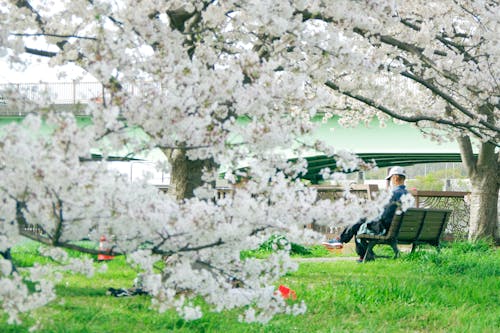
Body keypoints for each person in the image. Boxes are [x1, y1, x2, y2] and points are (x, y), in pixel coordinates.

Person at [323, 166, 409, 262]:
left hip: (385, 229)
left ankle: (349, 246)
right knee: (361, 221)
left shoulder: (393, 194)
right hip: (401, 230)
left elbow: (385, 216)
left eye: (390, 178)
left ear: (395, 177)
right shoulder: (408, 195)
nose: (391, 181)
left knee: (359, 220)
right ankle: (343, 242)